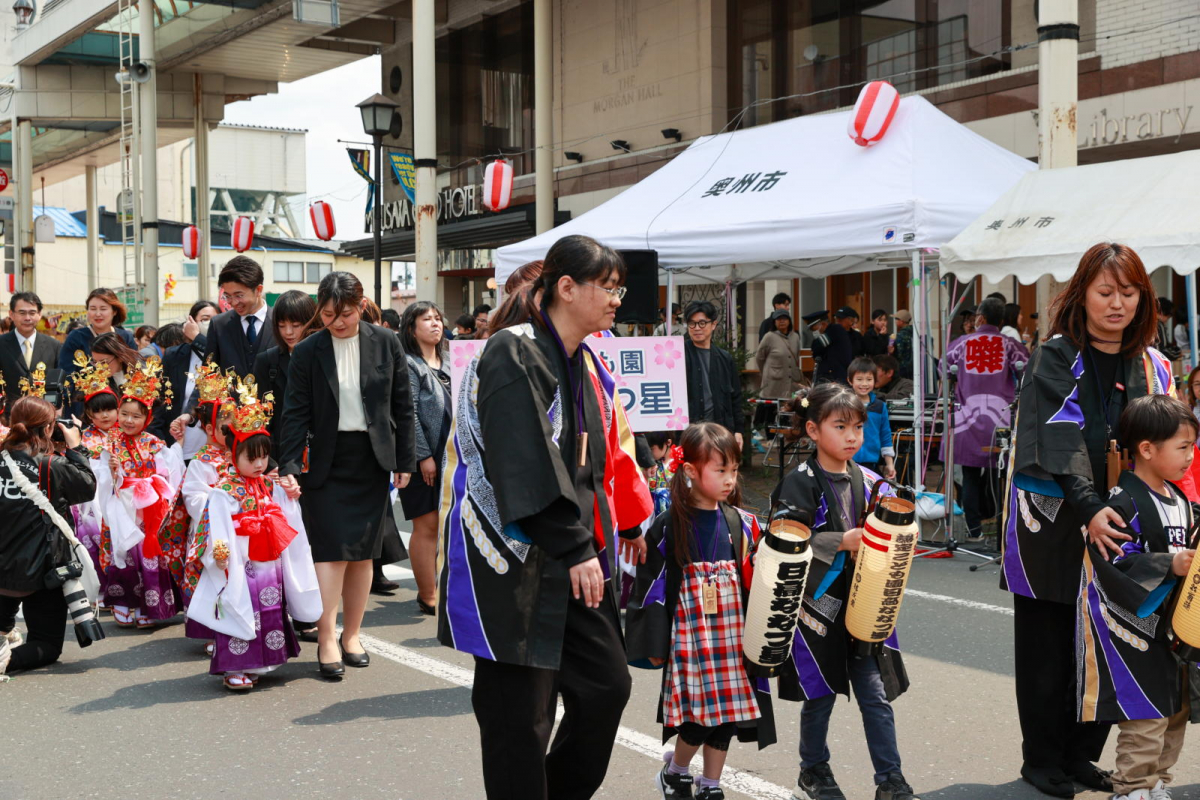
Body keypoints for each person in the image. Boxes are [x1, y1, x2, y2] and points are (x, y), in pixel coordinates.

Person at [436, 234, 653, 800]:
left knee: (606, 686)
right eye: (607, 287)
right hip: (515, 558)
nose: (616, 299)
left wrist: (609, 532)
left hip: (573, 552)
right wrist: (575, 545)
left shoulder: (584, 359)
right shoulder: (513, 349)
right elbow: (522, 459)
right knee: (519, 718)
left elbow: (600, 463)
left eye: (618, 288)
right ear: (565, 287)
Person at [1003, 243, 1175, 798]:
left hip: (1123, 518)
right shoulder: (1055, 356)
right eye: (1106, 292)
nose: (1117, 304)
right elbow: (1059, 436)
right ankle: (1043, 759)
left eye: (1128, 293)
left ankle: (1082, 757)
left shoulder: (1154, 365)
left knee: (1114, 637)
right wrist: (1089, 506)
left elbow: (1171, 443)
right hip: (1051, 519)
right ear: (1082, 295)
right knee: (1049, 644)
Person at [770, 383, 918, 800]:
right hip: (818, 605)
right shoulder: (798, 482)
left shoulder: (870, 480)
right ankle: (813, 769)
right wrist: (839, 540)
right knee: (820, 693)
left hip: (865, 600)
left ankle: (890, 780)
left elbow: (897, 528)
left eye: (857, 427)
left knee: (875, 695)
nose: (852, 436)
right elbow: (780, 542)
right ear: (813, 431)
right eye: (841, 426)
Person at [277, 271, 417, 680]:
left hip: (371, 460)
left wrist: (405, 460)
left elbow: (402, 405)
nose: (339, 322)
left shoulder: (386, 341)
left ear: (361, 306)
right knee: (330, 554)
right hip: (325, 462)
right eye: (329, 314)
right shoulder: (308, 351)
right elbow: (294, 413)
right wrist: (288, 465)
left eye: (347, 313)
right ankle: (325, 637)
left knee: (363, 555)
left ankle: (352, 635)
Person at [625, 422, 775, 800]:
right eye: (720, 470)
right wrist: (654, 640)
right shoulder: (668, 524)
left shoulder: (742, 523)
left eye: (734, 470)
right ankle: (676, 771)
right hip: (691, 636)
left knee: (729, 711)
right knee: (699, 715)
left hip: (732, 632)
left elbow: (760, 580)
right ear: (690, 470)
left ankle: (710, 783)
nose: (729, 479)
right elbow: (651, 586)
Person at [1073, 395, 1198, 800]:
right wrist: (1170, 564)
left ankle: (1159, 781)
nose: (1190, 456)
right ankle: (1132, 787)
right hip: (1135, 627)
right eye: (1183, 447)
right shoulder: (1122, 502)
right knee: (1146, 712)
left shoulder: (1181, 501)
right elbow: (1114, 560)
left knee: (1176, 708)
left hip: (1174, 626)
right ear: (1147, 448)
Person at [188, 377, 321, 691]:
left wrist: (287, 495)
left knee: (269, 607)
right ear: (235, 456)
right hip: (241, 560)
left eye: (264, 456)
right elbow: (217, 524)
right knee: (240, 605)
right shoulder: (224, 490)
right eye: (252, 458)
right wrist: (220, 552)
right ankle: (234, 666)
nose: (260, 463)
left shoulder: (267, 483)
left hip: (267, 560)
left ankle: (263, 661)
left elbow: (286, 517)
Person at [0, 396, 97, 675]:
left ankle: (4, 633)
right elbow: (87, 486)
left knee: (4, 624)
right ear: (46, 429)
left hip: (2, 568)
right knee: (47, 645)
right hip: (41, 570)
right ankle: (6, 661)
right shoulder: (49, 464)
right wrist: (76, 447)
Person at [95, 357, 184, 629]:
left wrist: (150, 485)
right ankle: (123, 602)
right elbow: (100, 479)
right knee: (123, 550)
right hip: (121, 504)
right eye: (124, 414)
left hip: (147, 507)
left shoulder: (155, 442)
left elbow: (167, 474)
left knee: (147, 552)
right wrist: (111, 473)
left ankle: (150, 604)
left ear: (147, 418)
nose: (128, 420)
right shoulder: (110, 441)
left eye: (136, 416)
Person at [941, 298, 1027, 543]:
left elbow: (943, 369)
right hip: (1000, 419)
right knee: (1001, 476)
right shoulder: (1011, 345)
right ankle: (1002, 533)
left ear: (979, 318)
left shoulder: (959, 344)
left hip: (966, 418)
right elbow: (1027, 368)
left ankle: (974, 531)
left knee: (969, 476)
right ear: (1001, 321)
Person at [172, 363, 236, 655]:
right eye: (226, 427)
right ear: (210, 429)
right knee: (211, 577)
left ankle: (235, 625)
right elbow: (193, 498)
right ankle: (213, 630)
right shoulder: (200, 460)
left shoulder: (241, 455)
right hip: (210, 532)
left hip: (239, 528)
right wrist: (221, 498)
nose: (233, 431)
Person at [396, 300, 450, 616]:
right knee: (426, 524)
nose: (435, 323)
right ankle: (427, 594)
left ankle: (443, 587)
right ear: (411, 328)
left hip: (454, 456)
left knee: (447, 525)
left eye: (438, 317)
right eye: (426, 319)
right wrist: (423, 456)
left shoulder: (451, 360)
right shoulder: (409, 364)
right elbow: (408, 414)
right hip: (424, 458)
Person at [250, 290, 318, 455]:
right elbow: (260, 415)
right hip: (280, 452)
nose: (288, 332)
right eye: (282, 326)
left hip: (321, 451)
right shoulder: (267, 361)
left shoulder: (326, 358)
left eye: (296, 326)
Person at [157, 300, 218, 458]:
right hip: (179, 443)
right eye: (204, 319)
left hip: (213, 446)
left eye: (215, 319)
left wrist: (198, 338)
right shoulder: (174, 355)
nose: (210, 324)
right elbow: (161, 399)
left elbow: (216, 358)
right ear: (191, 323)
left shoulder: (226, 355)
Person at [684, 301, 744, 449]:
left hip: (719, 428)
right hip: (689, 429)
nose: (697, 328)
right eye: (692, 323)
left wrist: (738, 431)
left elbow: (735, 397)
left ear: (713, 324)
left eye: (702, 323)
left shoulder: (724, 358)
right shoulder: (678, 354)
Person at [0, 293, 61, 412]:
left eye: (32, 313)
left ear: (39, 314)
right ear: (11, 314)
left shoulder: (54, 346)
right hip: (8, 417)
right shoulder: (1, 344)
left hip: (44, 416)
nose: (27, 318)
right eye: (22, 313)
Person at [59, 289, 136, 376]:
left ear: (114, 311)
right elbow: (66, 373)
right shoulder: (76, 337)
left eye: (103, 309)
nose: (98, 314)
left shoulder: (126, 337)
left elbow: (135, 369)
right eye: (93, 309)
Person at [848, 357, 896, 480]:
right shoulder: (845, 404)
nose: (864, 384)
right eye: (859, 379)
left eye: (869, 379)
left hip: (871, 463)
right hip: (847, 461)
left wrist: (890, 464)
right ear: (850, 381)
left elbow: (885, 435)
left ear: (875, 381)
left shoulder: (880, 406)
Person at [755, 309, 803, 431]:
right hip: (773, 381)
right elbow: (760, 357)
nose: (782, 321)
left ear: (789, 321)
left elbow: (796, 356)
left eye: (784, 318)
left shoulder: (795, 336)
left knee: (788, 408)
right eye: (778, 319)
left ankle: (786, 436)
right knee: (771, 410)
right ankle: (770, 436)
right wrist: (766, 372)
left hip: (790, 380)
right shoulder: (769, 336)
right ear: (774, 322)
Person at [815, 307, 856, 385]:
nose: (837, 321)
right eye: (836, 318)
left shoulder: (857, 336)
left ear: (851, 321)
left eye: (841, 319)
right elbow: (818, 349)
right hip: (834, 376)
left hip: (851, 374)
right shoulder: (831, 333)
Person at [1156, 297, 1183, 363]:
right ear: (1162, 313)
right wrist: (1178, 353)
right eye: (1168, 317)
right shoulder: (1158, 325)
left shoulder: (1146, 323)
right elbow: (1163, 351)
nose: (1166, 321)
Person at [892, 309, 913, 381]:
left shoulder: (900, 335)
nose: (895, 321)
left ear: (901, 321)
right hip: (914, 368)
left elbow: (899, 354)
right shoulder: (914, 333)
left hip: (903, 369)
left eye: (896, 319)